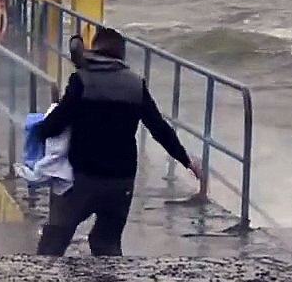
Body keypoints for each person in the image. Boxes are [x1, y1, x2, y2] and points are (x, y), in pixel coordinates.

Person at [30, 28, 203, 257]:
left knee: (54, 242)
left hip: (83, 179)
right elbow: (159, 128)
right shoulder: (136, 85)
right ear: (121, 54)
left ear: (96, 47)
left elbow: (57, 123)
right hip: (121, 182)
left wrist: (37, 131)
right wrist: (187, 161)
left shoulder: (81, 80)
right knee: (106, 244)